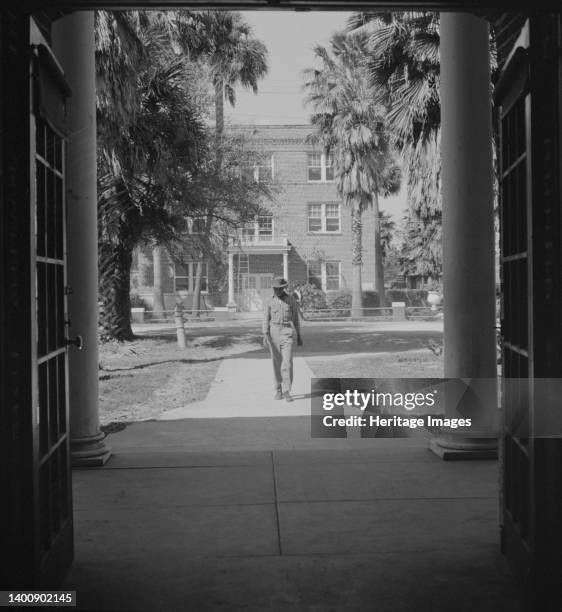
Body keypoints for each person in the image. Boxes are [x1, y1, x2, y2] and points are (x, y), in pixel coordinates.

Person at [262, 276, 303, 402]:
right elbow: (265, 318)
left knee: (287, 362)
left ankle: (286, 391)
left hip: (286, 332)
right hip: (273, 332)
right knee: (276, 362)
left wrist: (299, 335)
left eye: (279, 289)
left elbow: (296, 319)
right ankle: (278, 389)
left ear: (284, 288)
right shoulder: (269, 301)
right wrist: (265, 334)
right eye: (275, 289)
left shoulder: (291, 300)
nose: (277, 291)